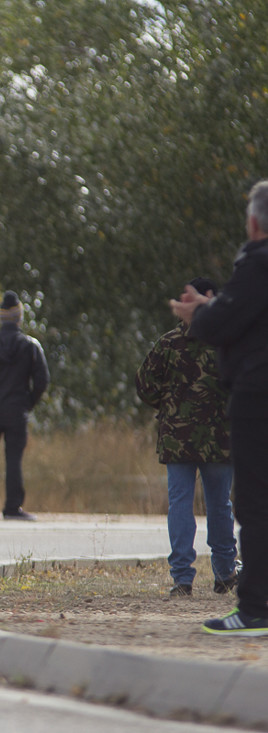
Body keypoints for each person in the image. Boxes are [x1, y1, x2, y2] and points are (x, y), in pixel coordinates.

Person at [171, 179, 268, 636]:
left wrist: (201, 314)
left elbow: (225, 322)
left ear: (253, 223)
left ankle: (253, 608)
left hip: (255, 395)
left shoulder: (257, 261)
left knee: (252, 503)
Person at [137, 278, 238, 599]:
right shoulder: (229, 342)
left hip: (177, 436)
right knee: (219, 504)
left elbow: (145, 385)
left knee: (180, 503)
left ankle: (182, 578)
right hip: (220, 438)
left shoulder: (168, 343)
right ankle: (225, 572)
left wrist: (169, 407)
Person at [0, 291, 49, 520]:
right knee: (13, 459)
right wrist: (27, 403)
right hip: (17, 409)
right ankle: (12, 508)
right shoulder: (30, 345)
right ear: (19, 317)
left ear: (1, 317)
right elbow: (42, 381)